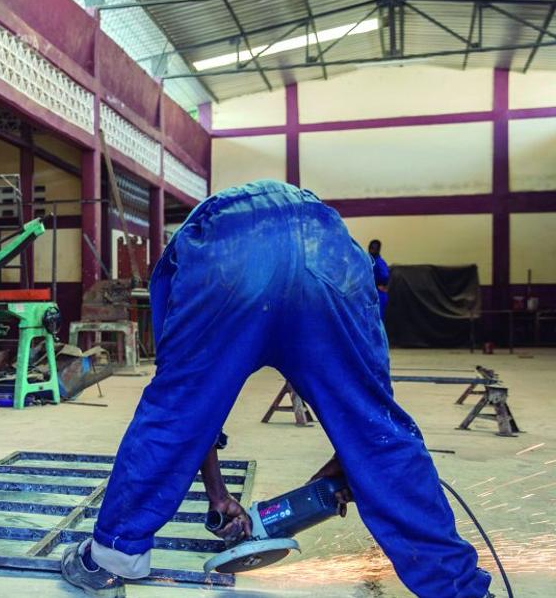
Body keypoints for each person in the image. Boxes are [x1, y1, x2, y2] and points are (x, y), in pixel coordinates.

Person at [60, 180, 491, 598]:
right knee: (376, 428)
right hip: (327, 249)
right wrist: (350, 457)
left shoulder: (193, 240)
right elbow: (369, 398)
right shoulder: (334, 235)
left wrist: (216, 489)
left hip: (229, 253)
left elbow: (186, 410)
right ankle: (459, 589)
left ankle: (113, 558)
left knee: (173, 412)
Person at [368, 238, 390, 320]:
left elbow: (385, 276)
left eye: (374, 248)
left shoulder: (378, 262)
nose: (371, 250)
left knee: (378, 319)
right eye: (371, 248)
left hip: (379, 294)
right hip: (373, 293)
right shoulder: (370, 261)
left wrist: (379, 285)